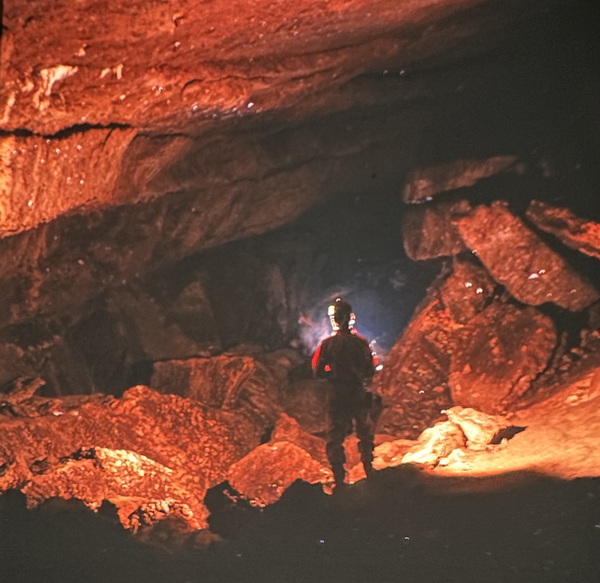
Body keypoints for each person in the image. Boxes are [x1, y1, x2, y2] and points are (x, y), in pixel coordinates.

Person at [312, 298, 378, 489]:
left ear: (336, 319)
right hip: (357, 391)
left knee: (335, 435)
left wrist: (333, 374)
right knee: (364, 431)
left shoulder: (328, 344)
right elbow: (370, 370)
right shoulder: (361, 343)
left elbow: (317, 372)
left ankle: (339, 479)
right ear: (351, 318)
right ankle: (369, 471)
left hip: (337, 392)